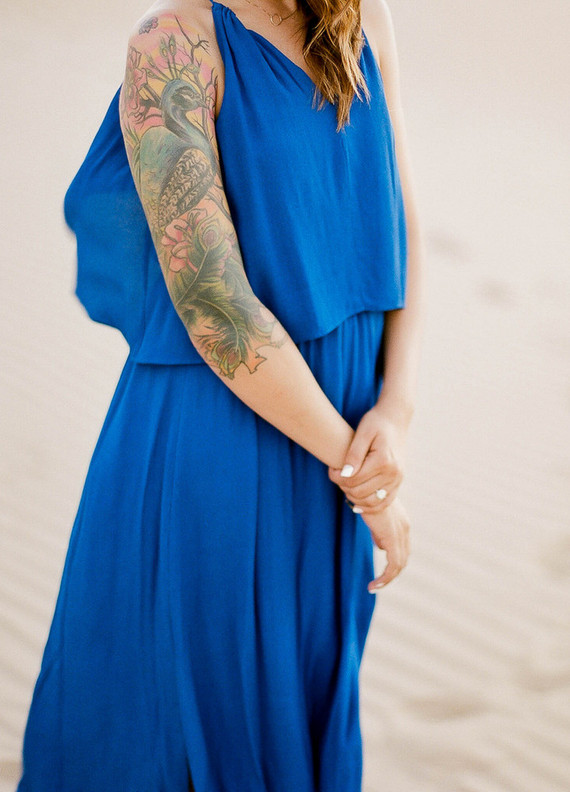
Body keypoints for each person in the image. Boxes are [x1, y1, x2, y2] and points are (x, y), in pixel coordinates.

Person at [17, 0, 425, 788]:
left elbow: (403, 219)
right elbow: (214, 304)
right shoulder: (172, 45)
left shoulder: (362, 18)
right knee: (201, 726)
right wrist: (360, 472)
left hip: (344, 439)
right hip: (220, 446)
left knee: (301, 704)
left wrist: (395, 414)